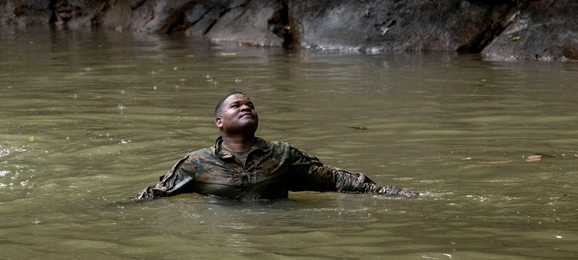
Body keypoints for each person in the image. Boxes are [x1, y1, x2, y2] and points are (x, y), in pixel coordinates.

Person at [137, 92, 415, 200]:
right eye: (237, 106)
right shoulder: (196, 163)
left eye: (250, 105)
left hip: (277, 234)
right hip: (220, 238)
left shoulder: (283, 154)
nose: (246, 107)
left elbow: (334, 179)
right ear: (219, 121)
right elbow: (157, 194)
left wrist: (389, 192)